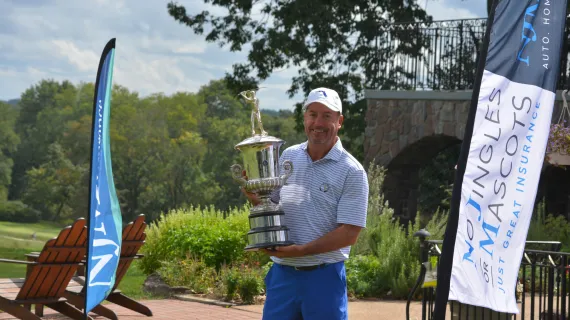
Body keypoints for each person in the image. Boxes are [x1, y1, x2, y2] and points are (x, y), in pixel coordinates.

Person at [241, 87, 369, 320]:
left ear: (339, 121)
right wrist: (254, 195)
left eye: (326, 116)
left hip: (324, 278)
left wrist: (300, 251)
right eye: (312, 114)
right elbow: (274, 203)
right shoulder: (288, 155)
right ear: (304, 118)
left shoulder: (352, 171)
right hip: (283, 276)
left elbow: (349, 232)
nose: (317, 122)